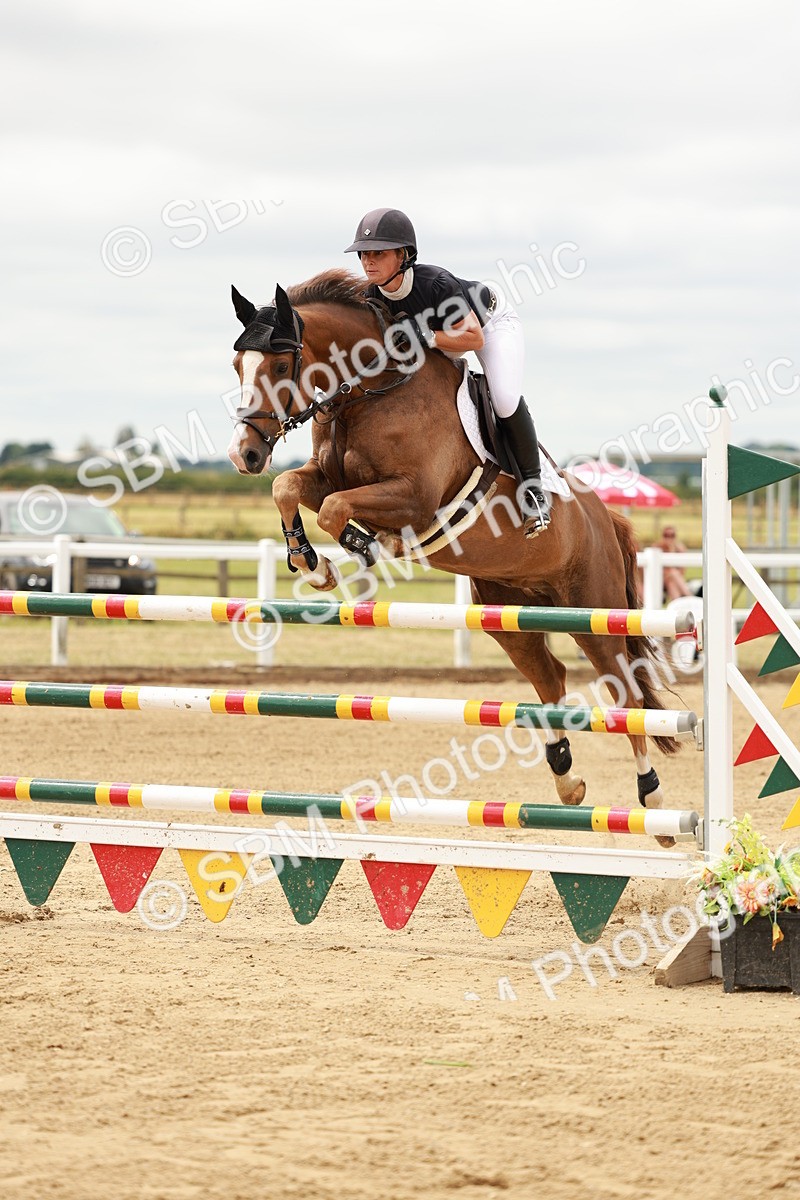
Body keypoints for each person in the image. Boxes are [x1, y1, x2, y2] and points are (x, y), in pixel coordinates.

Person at [344, 207, 551, 537]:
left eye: (378, 253)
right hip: (443, 341)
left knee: (504, 398)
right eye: (364, 254)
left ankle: (534, 491)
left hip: (490, 325)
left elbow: (473, 338)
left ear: (404, 255)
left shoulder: (434, 284)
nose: (368, 262)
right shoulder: (370, 297)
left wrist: (425, 335)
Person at [653, 526, 693, 601]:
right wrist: (671, 549)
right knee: (672, 572)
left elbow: (682, 571)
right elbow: (656, 571)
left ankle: (678, 604)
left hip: (673, 580)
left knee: (671, 582)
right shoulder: (657, 548)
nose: (669, 538)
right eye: (666, 535)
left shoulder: (680, 548)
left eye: (672, 535)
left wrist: (674, 549)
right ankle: (689, 596)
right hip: (660, 581)